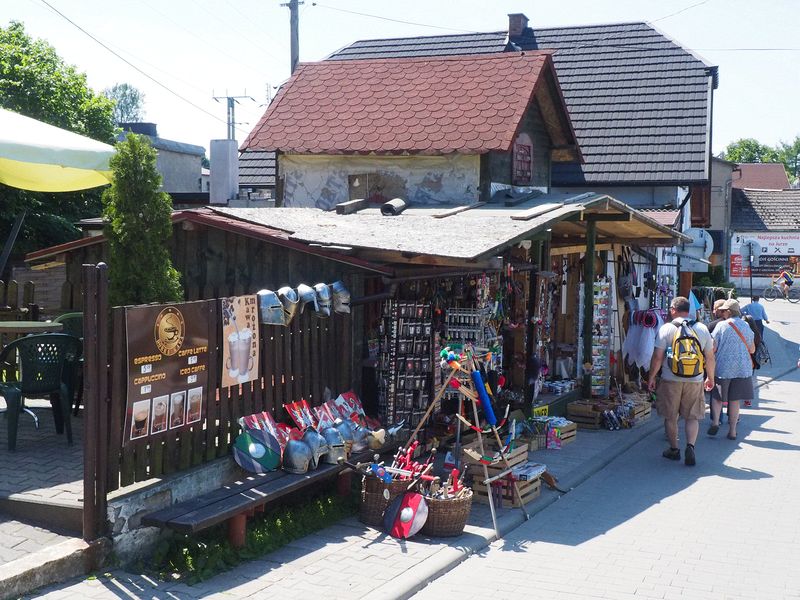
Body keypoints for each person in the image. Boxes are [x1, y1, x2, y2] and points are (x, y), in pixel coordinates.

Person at [648, 296, 715, 467]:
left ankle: (674, 449)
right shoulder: (701, 328)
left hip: (671, 379)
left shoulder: (667, 329)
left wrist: (651, 378)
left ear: (673, 310)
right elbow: (710, 357)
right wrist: (710, 377)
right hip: (695, 379)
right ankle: (690, 446)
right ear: (689, 310)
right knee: (692, 416)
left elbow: (657, 357)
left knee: (671, 416)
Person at [708, 299, 755, 440]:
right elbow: (752, 349)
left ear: (729, 311)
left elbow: (713, 348)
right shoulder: (746, 326)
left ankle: (716, 422)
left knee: (717, 397)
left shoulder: (721, 326)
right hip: (742, 369)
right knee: (735, 400)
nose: (721, 313)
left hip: (723, 367)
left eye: (723, 310)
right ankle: (733, 431)